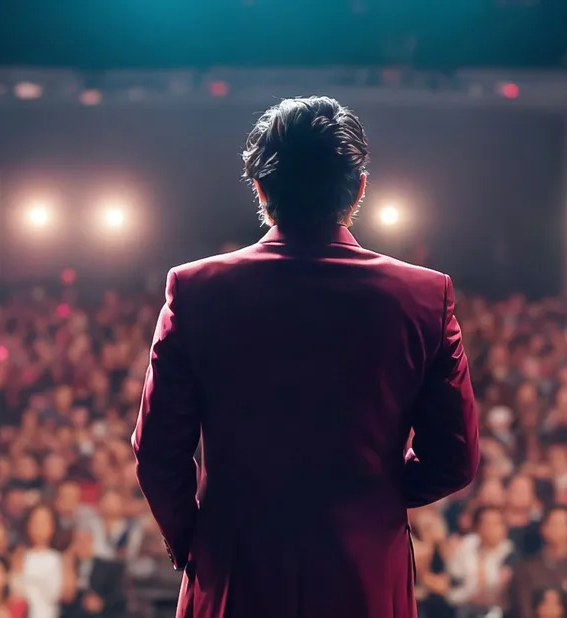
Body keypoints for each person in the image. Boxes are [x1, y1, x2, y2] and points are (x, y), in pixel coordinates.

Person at [132, 96, 480, 618]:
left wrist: (193, 542)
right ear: (359, 188)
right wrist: (371, 497)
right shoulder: (424, 296)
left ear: (260, 187)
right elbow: (455, 459)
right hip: (363, 574)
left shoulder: (196, 289)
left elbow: (158, 453)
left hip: (234, 570)